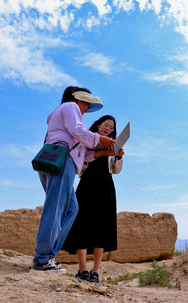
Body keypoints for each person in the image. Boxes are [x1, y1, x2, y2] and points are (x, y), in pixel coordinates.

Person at [32, 86, 115, 273]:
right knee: (55, 209)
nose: (87, 108)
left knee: (71, 208)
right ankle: (42, 259)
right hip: (63, 161)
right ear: (78, 99)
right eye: (87, 102)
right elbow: (78, 132)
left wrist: (102, 151)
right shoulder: (71, 108)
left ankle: (48, 256)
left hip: (56, 159)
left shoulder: (62, 114)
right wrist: (99, 138)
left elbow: (83, 153)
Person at [62, 115, 125, 283]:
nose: (108, 129)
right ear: (98, 125)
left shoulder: (113, 144)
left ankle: (95, 272)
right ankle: (82, 269)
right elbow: (80, 164)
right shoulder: (86, 139)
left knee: (101, 229)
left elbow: (116, 170)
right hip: (87, 185)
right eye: (106, 125)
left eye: (111, 128)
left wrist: (118, 156)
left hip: (106, 187)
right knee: (81, 225)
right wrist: (100, 152)